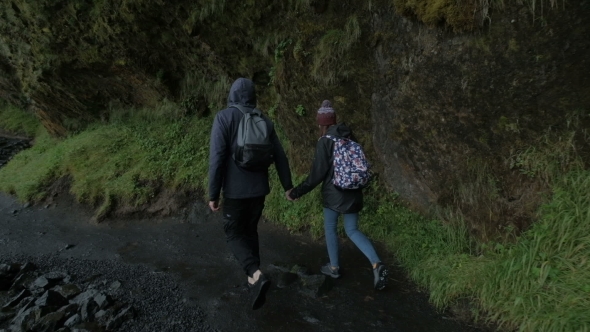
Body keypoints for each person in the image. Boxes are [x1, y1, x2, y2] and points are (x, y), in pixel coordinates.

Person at [208, 77, 294, 310]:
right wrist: (288, 186)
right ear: (253, 96)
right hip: (259, 191)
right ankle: (253, 279)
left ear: (232, 95)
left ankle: (255, 273)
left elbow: (216, 159)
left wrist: (213, 194)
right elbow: (280, 156)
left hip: (235, 193)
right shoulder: (264, 120)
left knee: (234, 234)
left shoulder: (224, 118)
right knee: (250, 231)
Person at [288, 100, 389, 290]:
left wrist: (295, 192)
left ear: (321, 123)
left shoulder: (325, 142)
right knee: (352, 230)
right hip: (353, 191)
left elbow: (316, 176)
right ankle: (377, 263)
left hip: (334, 194)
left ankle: (334, 267)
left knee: (330, 228)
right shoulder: (350, 138)